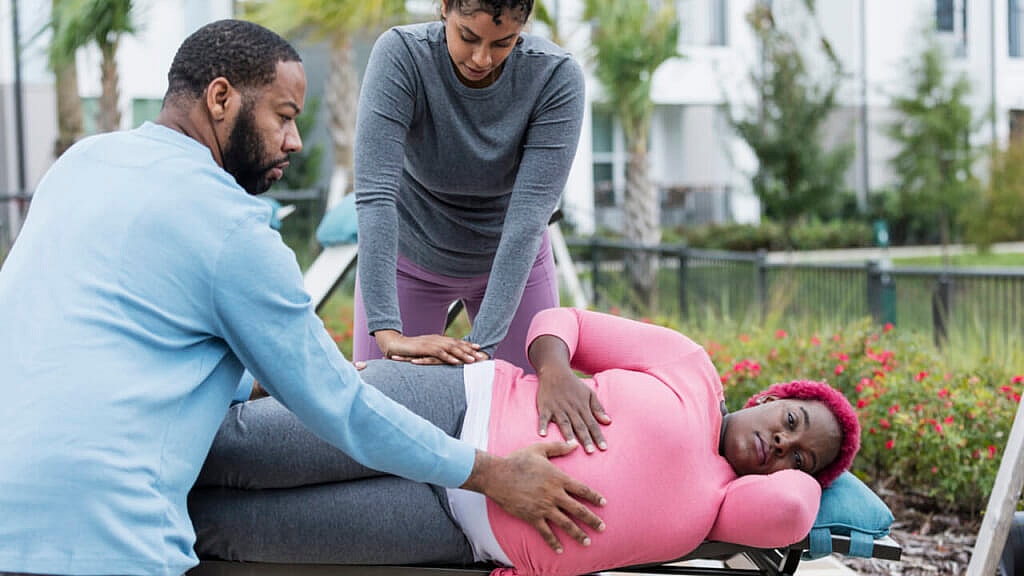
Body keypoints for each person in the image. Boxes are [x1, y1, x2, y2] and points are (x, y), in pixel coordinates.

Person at [0, 20, 606, 576]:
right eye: (283, 117)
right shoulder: (233, 228)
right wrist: (492, 474)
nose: (293, 141)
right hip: (113, 544)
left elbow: (131, 334)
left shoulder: (79, 166)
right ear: (220, 99)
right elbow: (342, 411)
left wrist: (262, 380)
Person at [190, 308, 862, 576]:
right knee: (243, 450)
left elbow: (792, 514)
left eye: (798, 456)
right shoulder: (690, 369)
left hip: (452, 527)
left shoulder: (721, 507)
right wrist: (557, 372)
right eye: (792, 423)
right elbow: (559, 321)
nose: (780, 443)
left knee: (233, 533)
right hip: (456, 409)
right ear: (772, 398)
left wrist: (811, 474)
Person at [352, 0, 585, 376]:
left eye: (502, 43)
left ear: (523, 28)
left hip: (512, 264)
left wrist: (480, 351)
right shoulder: (403, 54)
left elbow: (528, 219)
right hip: (412, 258)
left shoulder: (554, 76)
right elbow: (375, 195)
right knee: (380, 401)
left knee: (521, 406)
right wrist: (387, 332)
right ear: (445, 7)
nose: (481, 58)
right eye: (468, 36)